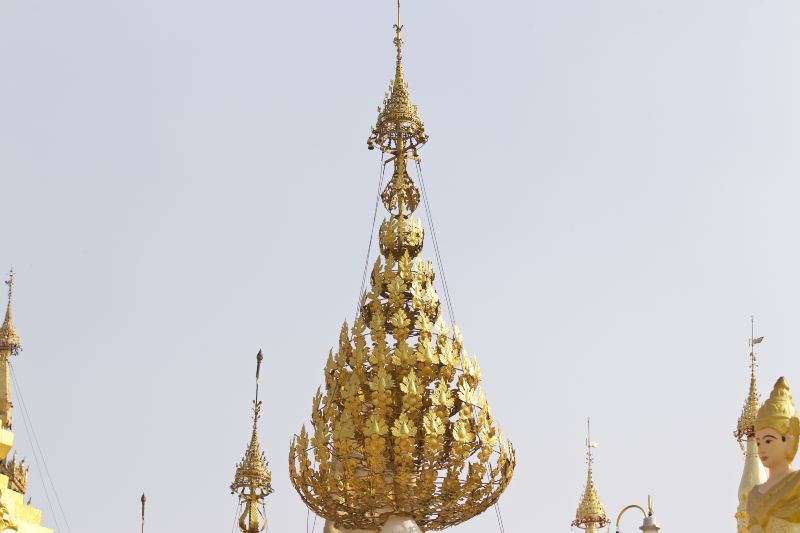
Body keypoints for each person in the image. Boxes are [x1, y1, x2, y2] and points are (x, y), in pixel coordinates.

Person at [747, 377, 800, 532]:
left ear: (788, 441)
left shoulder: (796, 482)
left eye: (768, 441)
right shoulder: (754, 494)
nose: (762, 448)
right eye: (758, 442)